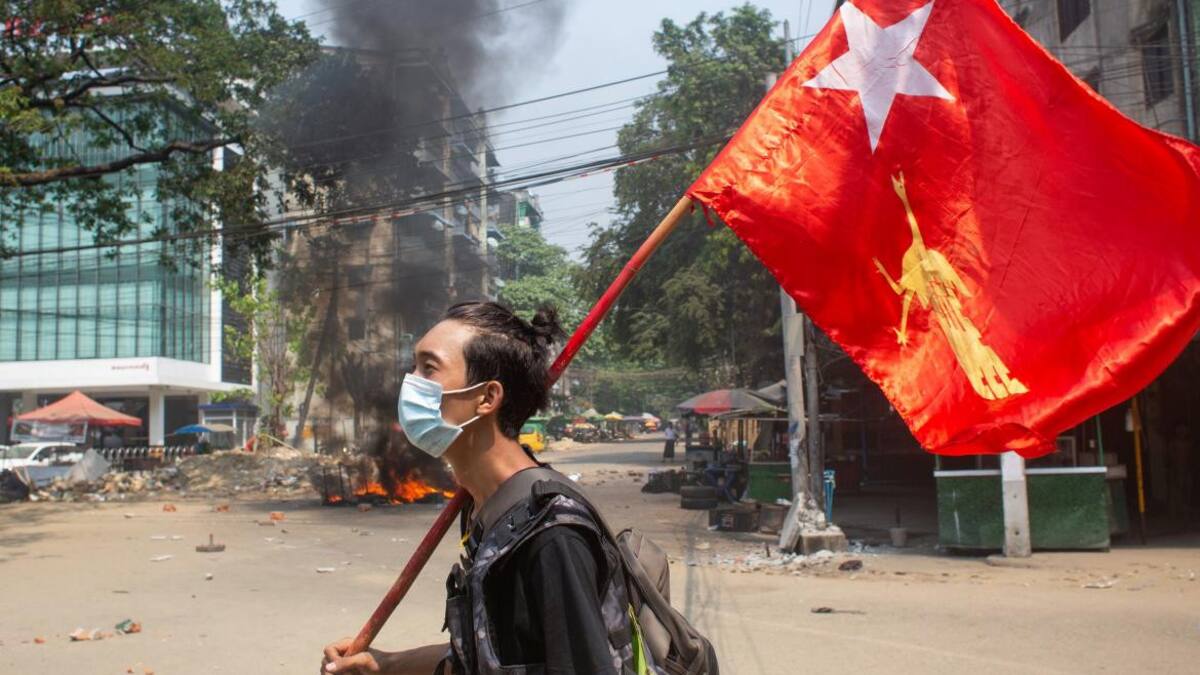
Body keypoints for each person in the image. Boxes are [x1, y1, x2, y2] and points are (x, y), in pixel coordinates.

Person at [321, 302, 633, 675]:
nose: (410, 382)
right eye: (413, 366)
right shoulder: (485, 508)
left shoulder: (552, 535)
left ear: (487, 398)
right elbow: (484, 658)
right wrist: (385, 664)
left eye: (428, 368)